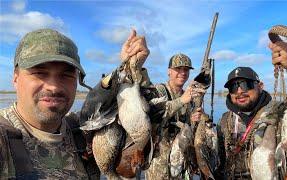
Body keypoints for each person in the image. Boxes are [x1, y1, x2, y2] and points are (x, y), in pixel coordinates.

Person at [0, 28, 149, 179]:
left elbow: (135, 110)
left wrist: (131, 66)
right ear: (15, 78)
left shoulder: (84, 130)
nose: (54, 86)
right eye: (40, 73)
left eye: (66, 75)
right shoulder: (3, 137)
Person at [214, 41, 287, 179]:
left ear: (260, 86)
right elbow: (219, 162)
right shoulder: (224, 121)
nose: (239, 91)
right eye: (233, 87)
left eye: (245, 84)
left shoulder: (286, 114)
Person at [145, 53, 205, 180]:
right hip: (159, 161)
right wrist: (182, 100)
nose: (183, 73)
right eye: (178, 69)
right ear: (169, 72)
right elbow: (154, 114)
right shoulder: (158, 90)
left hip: (181, 160)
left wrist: (194, 120)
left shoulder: (189, 96)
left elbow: (188, 127)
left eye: (186, 70)